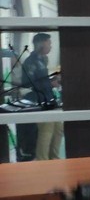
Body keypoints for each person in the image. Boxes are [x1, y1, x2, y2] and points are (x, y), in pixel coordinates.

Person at [17, 33, 63, 161]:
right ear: (40, 44)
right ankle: (42, 159)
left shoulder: (43, 60)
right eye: (49, 43)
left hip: (49, 99)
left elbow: (42, 80)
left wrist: (52, 81)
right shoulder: (30, 62)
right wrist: (50, 83)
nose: (51, 46)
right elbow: (28, 83)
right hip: (39, 100)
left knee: (58, 128)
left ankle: (54, 157)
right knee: (46, 130)